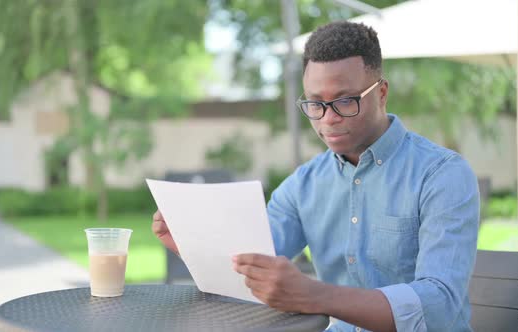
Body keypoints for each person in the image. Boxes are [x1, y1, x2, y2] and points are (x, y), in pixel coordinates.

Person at [152, 21, 479, 332]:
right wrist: (192, 245)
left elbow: (439, 303)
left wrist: (315, 295)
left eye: (345, 101)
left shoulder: (442, 175)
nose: (328, 119)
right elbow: (253, 264)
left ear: (381, 93)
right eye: (316, 104)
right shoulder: (303, 184)